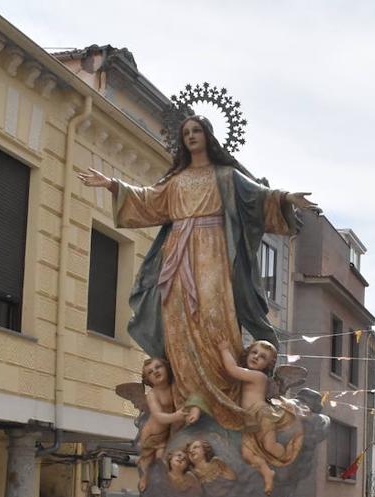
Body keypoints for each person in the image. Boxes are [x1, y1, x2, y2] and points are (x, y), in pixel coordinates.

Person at [78, 116, 315, 433]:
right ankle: (187, 399)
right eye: (185, 132)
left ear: (208, 137)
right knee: (177, 324)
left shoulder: (226, 176)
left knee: (213, 318)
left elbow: (259, 197)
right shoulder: (175, 180)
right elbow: (149, 200)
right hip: (177, 257)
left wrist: (285, 198)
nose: (190, 136)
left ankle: (221, 398)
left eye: (196, 131)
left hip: (213, 255)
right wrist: (112, 184)